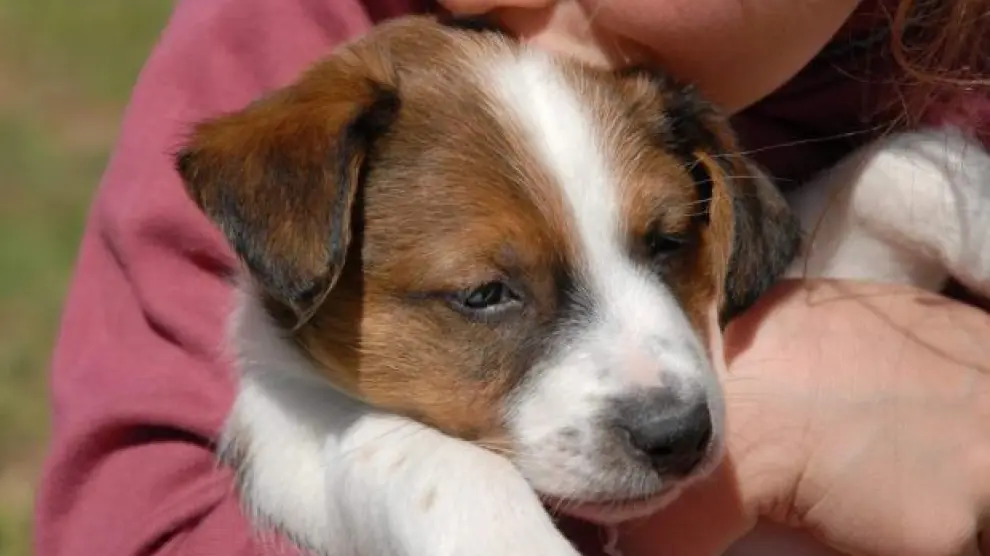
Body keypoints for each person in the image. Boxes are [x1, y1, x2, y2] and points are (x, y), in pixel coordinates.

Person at [33, 0, 989, 554]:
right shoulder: (313, 58)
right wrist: (779, 423)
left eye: (664, 243)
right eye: (487, 294)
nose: (666, 402)